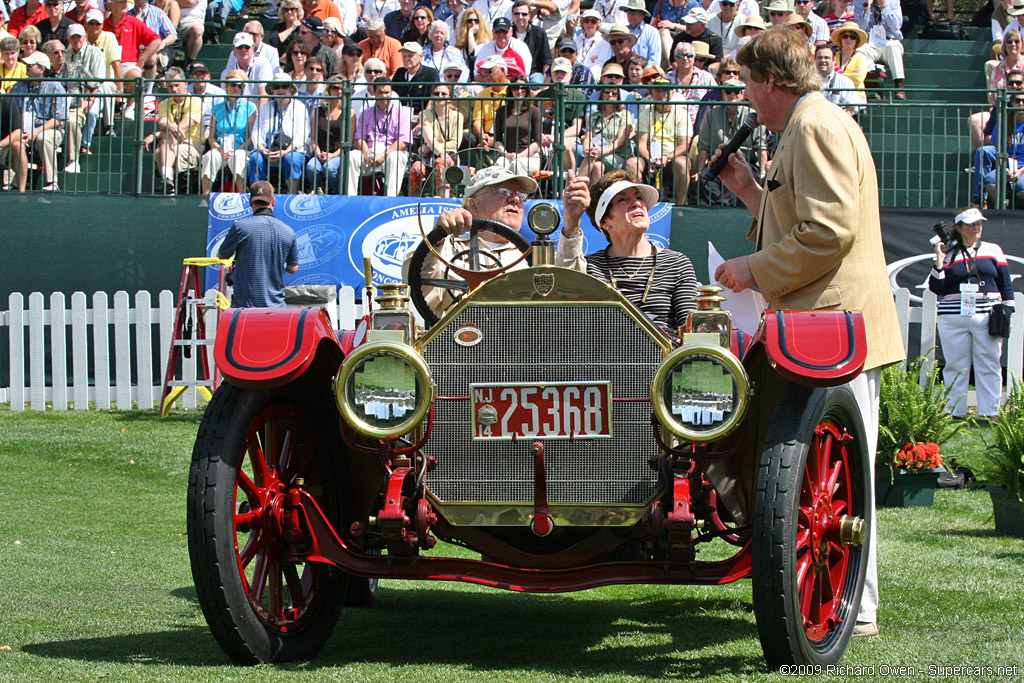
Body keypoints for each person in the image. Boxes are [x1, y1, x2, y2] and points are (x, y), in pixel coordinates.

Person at [711, 27, 904, 639]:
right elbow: (806, 222)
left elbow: (827, 233)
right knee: (832, 470)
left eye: (746, 82)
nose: (746, 97)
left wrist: (750, 269)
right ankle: (844, 597)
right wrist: (748, 190)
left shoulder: (815, 125)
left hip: (835, 326)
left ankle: (856, 605)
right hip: (822, 324)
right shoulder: (808, 123)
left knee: (844, 475)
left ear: (771, 80)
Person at [556, 169, 699, 331]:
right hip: (607, 355)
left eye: (639, 197)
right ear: (605, 222)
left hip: (666, 355)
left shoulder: (677, 263)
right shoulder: (591, 266)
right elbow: (564, 300)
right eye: (623, 199)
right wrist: (572, 221)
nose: (637, 203)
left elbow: (691, 329)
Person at [413, 165, 538, 317]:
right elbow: (420, 291)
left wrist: (570, 230)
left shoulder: (534, 256)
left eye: (520, 195)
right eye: (503, 191)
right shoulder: (445, 248)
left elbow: (565, 294)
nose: (515, 198)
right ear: (473, 205)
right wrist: (435, 239)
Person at [929, 207, 1015, 420]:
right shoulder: (949, 253)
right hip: (953, 316)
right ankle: (953, 411)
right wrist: (939, 259)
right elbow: (937, 287)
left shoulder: (993, 249)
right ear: (959, 228)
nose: (977, 228)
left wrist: (1009, 311)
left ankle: (990, 412)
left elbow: (1005, 282)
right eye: (971, 224)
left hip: (986, 315)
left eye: (979, 223)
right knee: (955, 366)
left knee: (990, 363)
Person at [218, 181, 299, 308]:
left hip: (245, 308)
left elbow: (222, 255)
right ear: (273, 202)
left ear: (251, 203)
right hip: (276, 308)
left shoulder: (240, 227)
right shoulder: (288, 231)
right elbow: (293, 268)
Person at [3, 50, 65, 191]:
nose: (26, 67)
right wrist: (22, 132)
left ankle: (52, 181)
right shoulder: (19, 86)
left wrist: (35, 132)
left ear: (42, 69)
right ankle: (13, 182)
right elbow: (15, 113)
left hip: (49, 129)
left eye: (31, 65)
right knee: (14, 141)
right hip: (22, 129)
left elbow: (58, 119)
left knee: (44, 138)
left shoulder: (55, 87)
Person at [697, 77, 766, 204]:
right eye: (728, 91)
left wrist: (762, 170)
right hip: (718, 162)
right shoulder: (712, 114)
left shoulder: (752, 115)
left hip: (745, 162)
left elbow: (760, 146)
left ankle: (724, 205)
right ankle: (719, 207)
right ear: (723, 94)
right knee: (705, 178)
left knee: (748, 177)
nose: (732, 94)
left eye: (736, 91)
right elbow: (704, 145)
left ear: (742, 94)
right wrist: (700, 170)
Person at [630, 75, 693, 204]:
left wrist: (667, 158)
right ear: (651, 93)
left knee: (682, 164)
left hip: (672, 159)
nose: (661, 94)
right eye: (657, 90)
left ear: (672, 93)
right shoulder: (645, 113)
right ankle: (639, 203)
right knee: (632, 163)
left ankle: (681, 205)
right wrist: (650, 159)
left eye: (665, 90)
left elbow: (684, 145)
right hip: (650, 158)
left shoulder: (681, 113)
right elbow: (641, 144)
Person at [143, 66, 203, 193]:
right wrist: (170, 126)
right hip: (172, 144)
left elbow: (182, 127)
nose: (174, 89)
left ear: (186, 84)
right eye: (170, 86)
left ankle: (167, 182)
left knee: (160, 151)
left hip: (192, 145)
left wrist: (155, 135)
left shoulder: (196, 101)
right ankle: (168, 181)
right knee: (163, 144)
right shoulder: (165, 103)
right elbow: (163, 122)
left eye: (177, 85)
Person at [248, 72, 310, 193]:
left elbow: (301, 135)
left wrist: (285, 151)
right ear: (272, 90)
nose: (280, 90)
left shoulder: (300, 107)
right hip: (267, 147)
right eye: (277, 87)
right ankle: (259, 194)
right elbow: (257, 130)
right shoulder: (265, 108)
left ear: (291, 89)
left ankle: (292, 195)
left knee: (291, 159)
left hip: (292, 149)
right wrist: (261, 148)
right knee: (255, 158)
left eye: (284, 86)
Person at [347, 78, 411, 195]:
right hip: (370, 152)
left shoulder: (402, 114)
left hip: (391, 152)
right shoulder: (366, 113)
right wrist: (366, 153)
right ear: (374, 93)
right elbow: (359, 138)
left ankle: (391, 200)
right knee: (352, 156)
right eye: (380, 92)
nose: (384, 96)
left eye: (387, 92)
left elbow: (403, 141)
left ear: (392, 93)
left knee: (395, 158)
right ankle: (350, 198)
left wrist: (384, 154)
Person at [200, 69, 256, 194]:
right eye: (233, 85)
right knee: (210, 156)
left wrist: (238, 149)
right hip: (221, 148)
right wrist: (219, 149)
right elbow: (211, 136)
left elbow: (252, 136)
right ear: (226, 86)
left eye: (240, 85)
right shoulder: (217, 108)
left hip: (241, 149)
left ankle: (240, 195)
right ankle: (205, 197)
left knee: (238, 157)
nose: (236, 88)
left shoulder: (251, 107)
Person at [410, 81, 463, 196]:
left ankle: (443, 199)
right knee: (416, 168)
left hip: (449, 156)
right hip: (428, 157)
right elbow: (428, 137)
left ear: (449, 98)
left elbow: (455, 144)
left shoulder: (457, 116)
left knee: (440, 163)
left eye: (443, 94)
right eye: (436, 93)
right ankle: (413, 201)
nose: (439, 96)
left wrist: (431, 147)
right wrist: (437, 148)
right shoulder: (424, 114)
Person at [973, 91, 1024, 205]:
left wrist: (1020, 172)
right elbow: (1000, 149)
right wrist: (1003, 168)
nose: (1020, 104)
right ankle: (1001, 210)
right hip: (1008, 163)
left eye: (1023, 101)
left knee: (1022, 188)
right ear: (1012, 102)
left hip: (1022, 168)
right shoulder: (1004, 121)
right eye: (1017, 100)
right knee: (990, 181)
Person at [304, 74, 352, 193]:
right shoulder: (317, 111)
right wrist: (319, 153)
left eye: (342, 88)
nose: (339, 91)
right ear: (329, 90)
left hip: (339, 154)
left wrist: (332, 156)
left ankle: (335, 193)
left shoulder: (349, 112)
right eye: (335, 88)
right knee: (311, 167)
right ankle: (318, 191)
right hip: (320, 152)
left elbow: (349, 141)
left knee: (329, 168)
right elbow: (313, 140)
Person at [853, 0, 905, 99]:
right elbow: (860, 28)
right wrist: (867, 9)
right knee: (860, 51)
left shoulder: (894, 2)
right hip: (870, 42)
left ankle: (899, 87)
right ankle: (875, 83)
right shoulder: (860, 2)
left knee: (893, 47)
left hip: (889, 40)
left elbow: (896, 26)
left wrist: (884, 6)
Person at [492, 73, 541, 175]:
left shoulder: (534, 111)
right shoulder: (501, 111)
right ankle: (501, 191)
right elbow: (497, 140)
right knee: (500, 165)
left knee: (517, 165)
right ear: (511, 90)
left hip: (529, 156)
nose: (519, 91)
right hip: (507, 155)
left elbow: (537, 142)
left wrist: (520, 156)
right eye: (515, 88)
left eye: (523, 88)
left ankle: (518, 191)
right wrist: (506, 153)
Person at [392, 40, 439, 113]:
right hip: (400, 115)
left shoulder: (431, 73)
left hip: (421, 115)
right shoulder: (399, 73)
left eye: (410, 56)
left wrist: (424, 117)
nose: (406, 59)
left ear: (420, 56)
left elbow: (433, 97)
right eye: (404, 56)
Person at [224, 31, 273, 101]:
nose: (243, 50)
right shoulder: (226, 72)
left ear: (253, 49)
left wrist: (254, 112)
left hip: (259, 110)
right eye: (239, 47)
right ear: (233, 50)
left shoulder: (263, 64)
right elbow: (229, 100)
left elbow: (264, 96)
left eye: (247, 47)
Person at [815, 43, 865, 111]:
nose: (823, 60)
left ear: (834, 60)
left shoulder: (845, 82)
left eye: (827, 57)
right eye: (820, 57)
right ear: (814, 59)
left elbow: (850, 109)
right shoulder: (806, 81)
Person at [509, 0, 548, 83]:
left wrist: (545, 82)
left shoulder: (539, 33)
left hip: (533, 73)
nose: (520, 17)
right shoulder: (507, 33)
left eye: (524, 14)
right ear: (512, 15)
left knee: (537, 82)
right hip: (512, 73)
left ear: (529, 16)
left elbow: (546, 60)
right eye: (517, 14)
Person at [831, 21, 872, 94]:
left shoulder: (861, 57)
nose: (848, 39)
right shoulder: (833, 56)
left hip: (856, 94)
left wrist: (837, 75)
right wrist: (850, 75)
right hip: (835, 94)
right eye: (845, 36)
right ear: (841, 39)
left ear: (857, 41)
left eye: (853, 37)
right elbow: (827, 76)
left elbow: (859, 78)